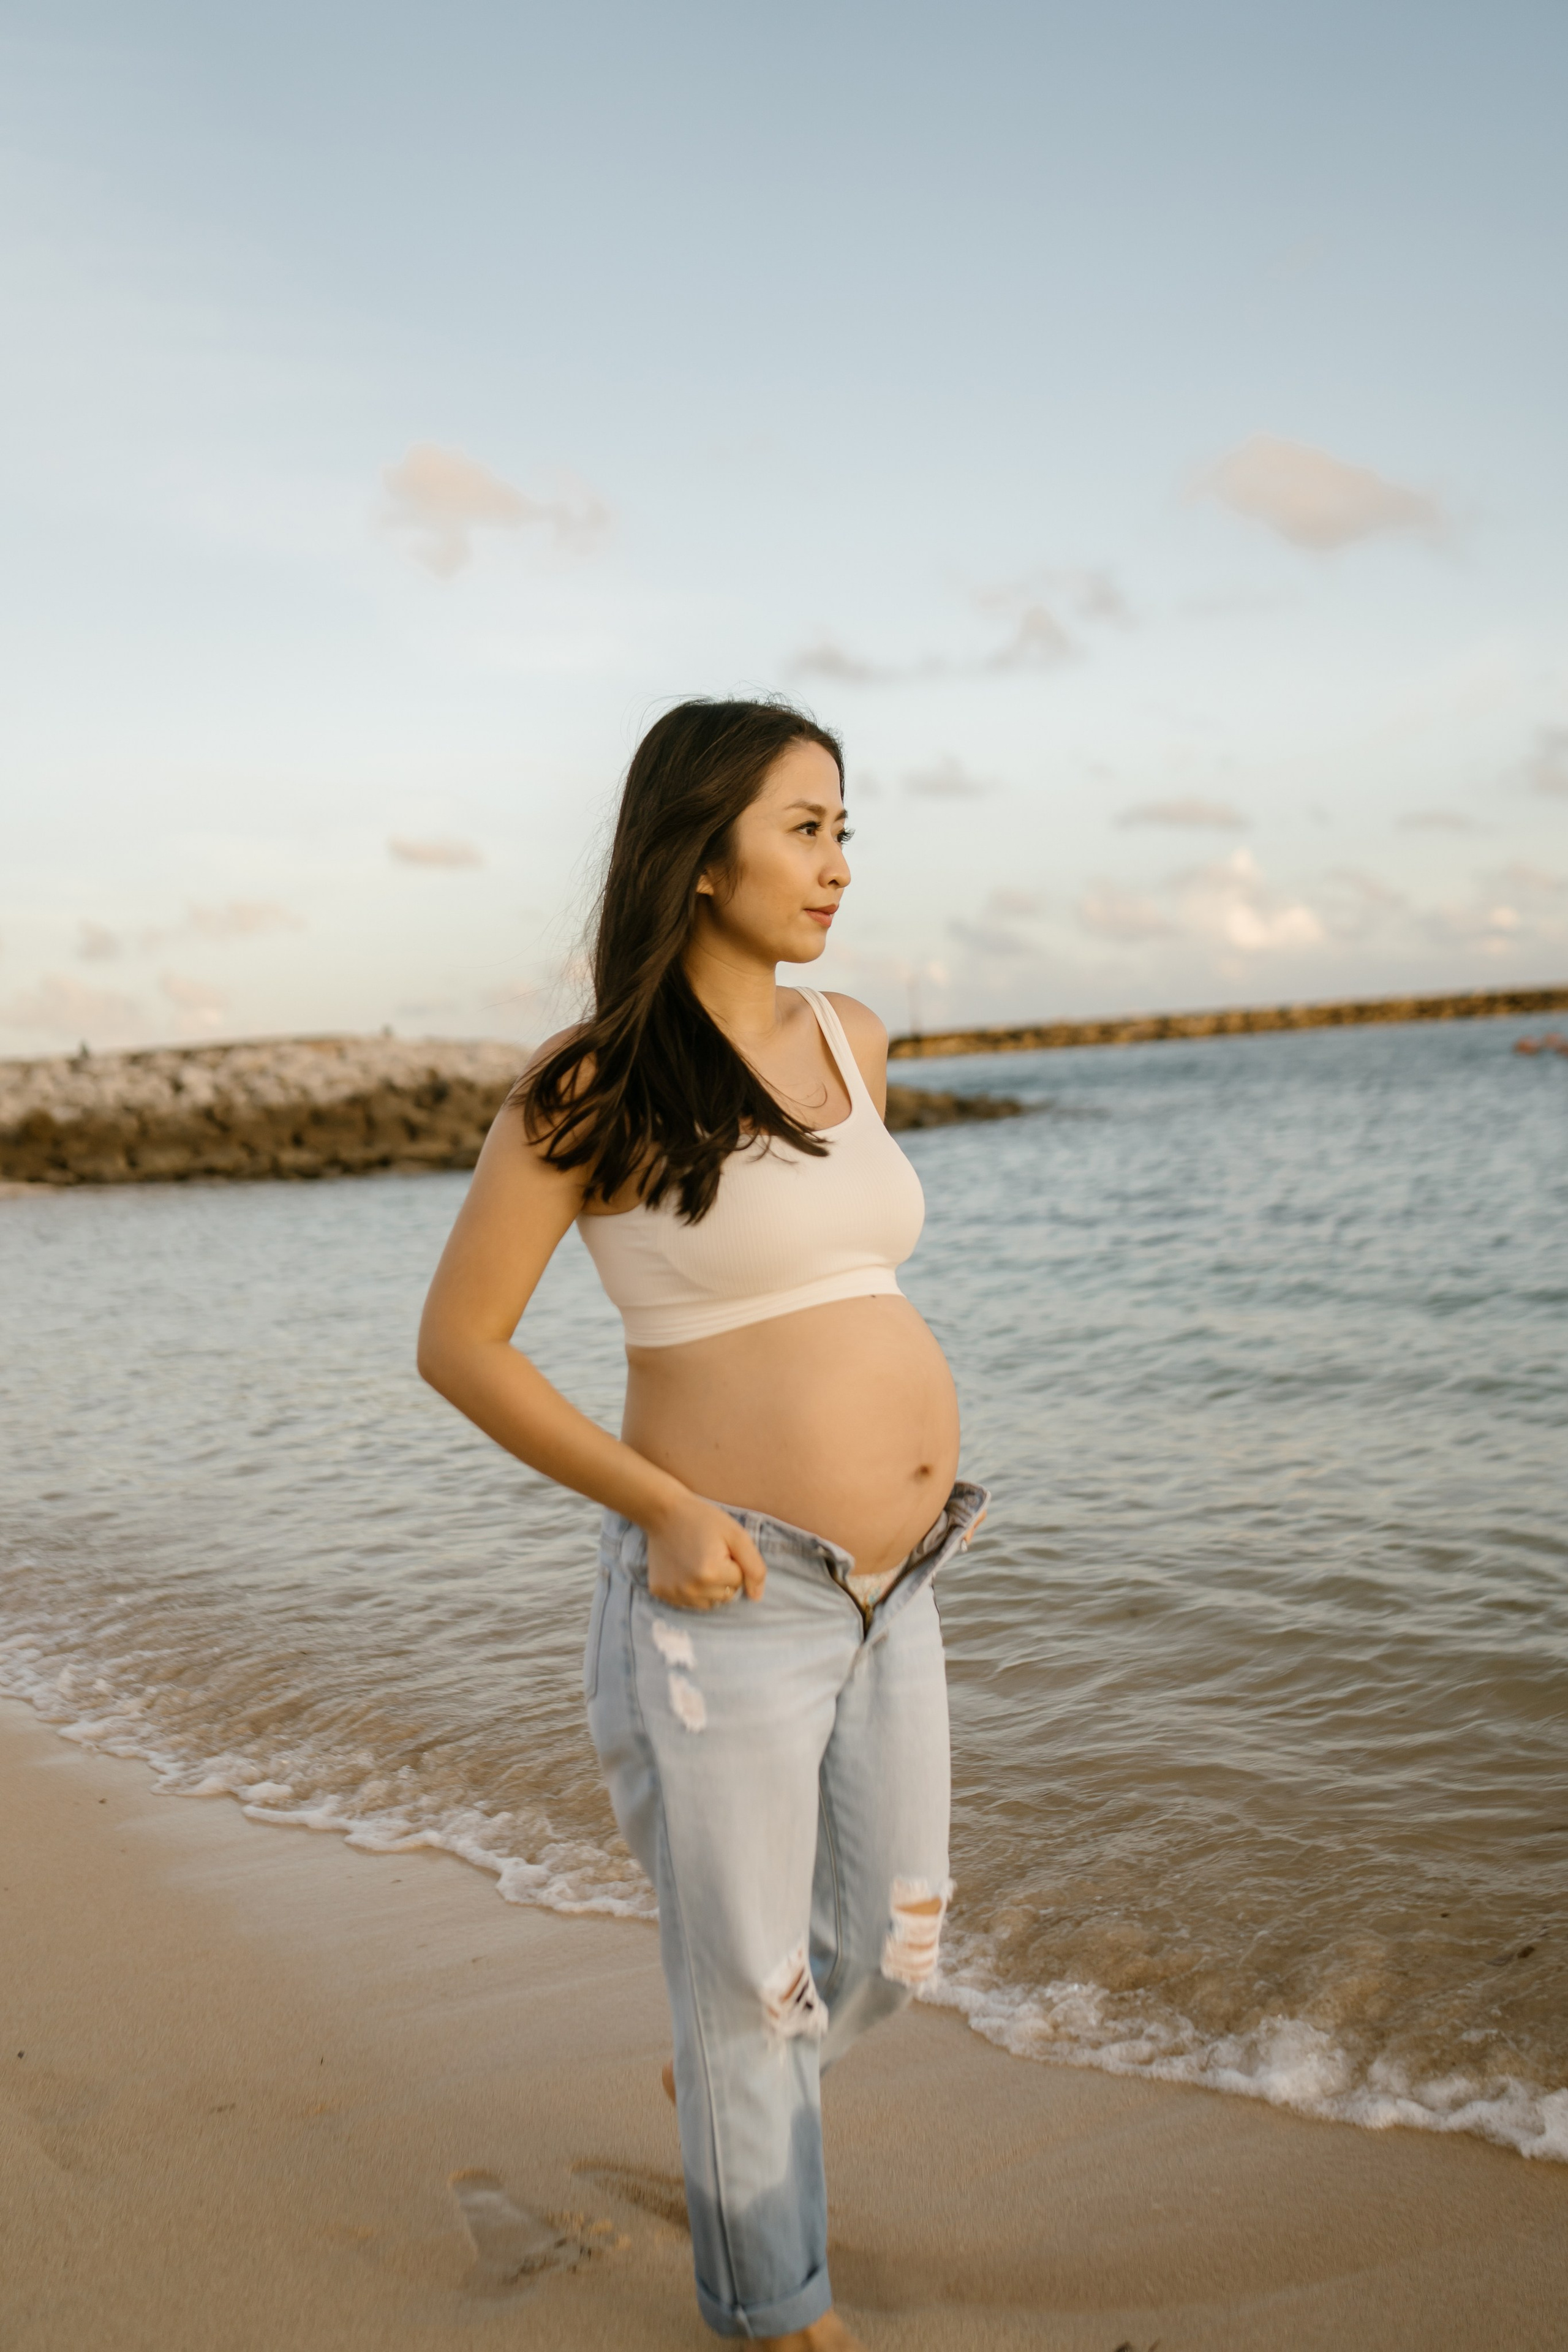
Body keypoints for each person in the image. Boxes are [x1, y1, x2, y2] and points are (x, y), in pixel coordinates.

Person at [418, 698, 987, 2347]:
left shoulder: (855, 1040)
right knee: (757, 1989)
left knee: (884, 1949)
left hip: (897, 1577)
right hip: (724, 1591)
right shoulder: (593, 1083)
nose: (838, 865)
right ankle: (774, 2313)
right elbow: (460, 1342)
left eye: (844, 828)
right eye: (805, 828)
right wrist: (660, 1501)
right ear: (700, 850)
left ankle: (733, 2040)